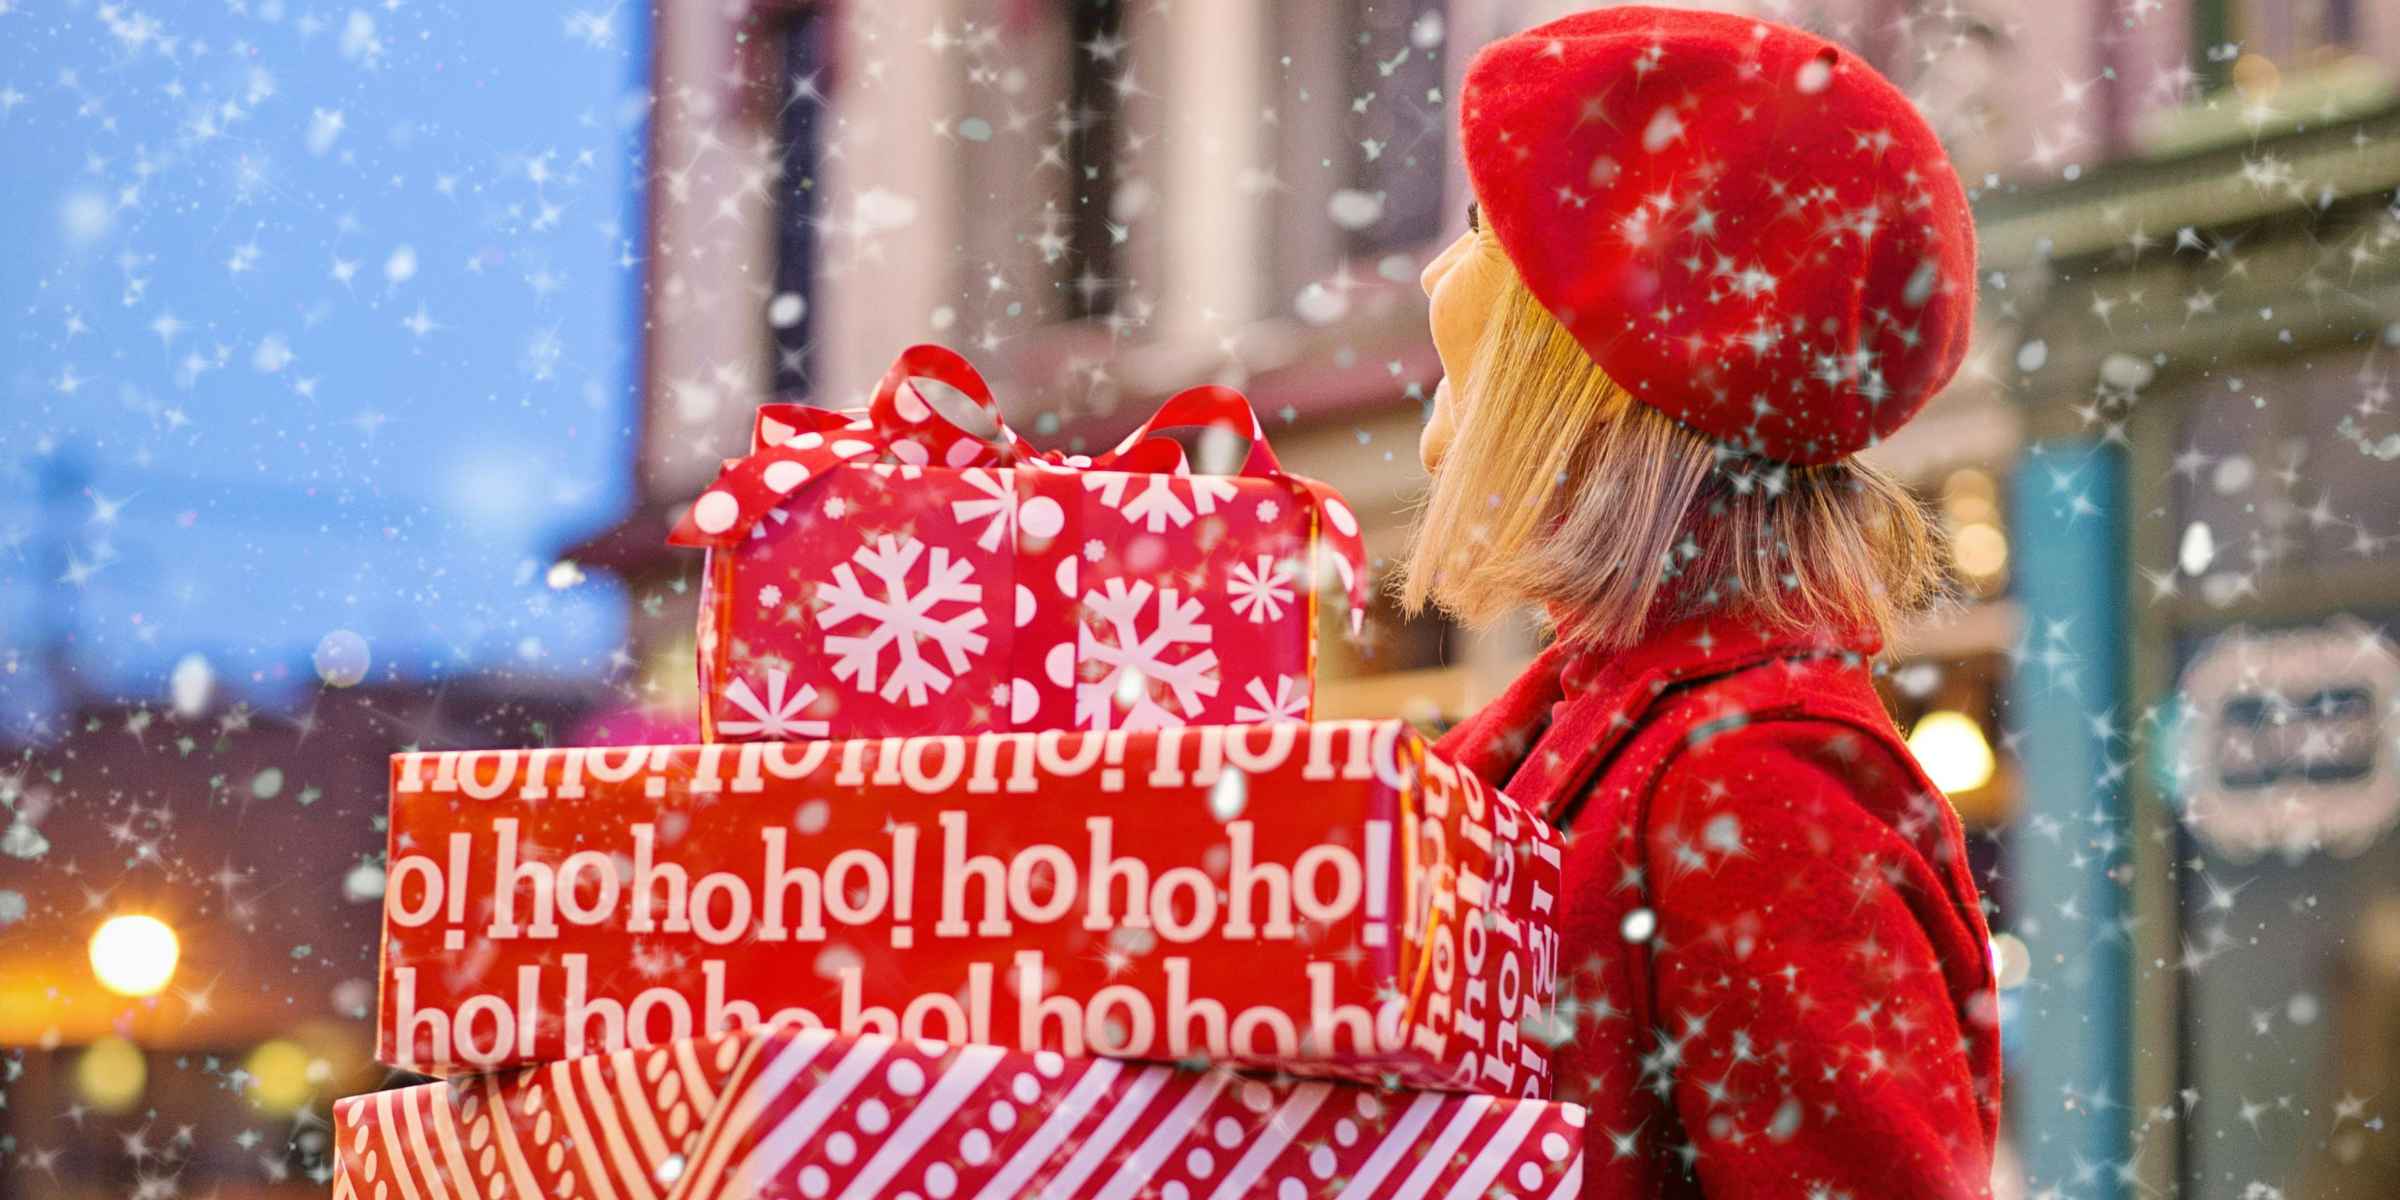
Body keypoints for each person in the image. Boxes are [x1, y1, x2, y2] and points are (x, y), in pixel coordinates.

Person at [1406, 8, 2002, 1198]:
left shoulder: (1753, 793)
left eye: (1484, 228)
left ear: (1595, 354)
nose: (1438, 273)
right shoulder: (1606, 738)